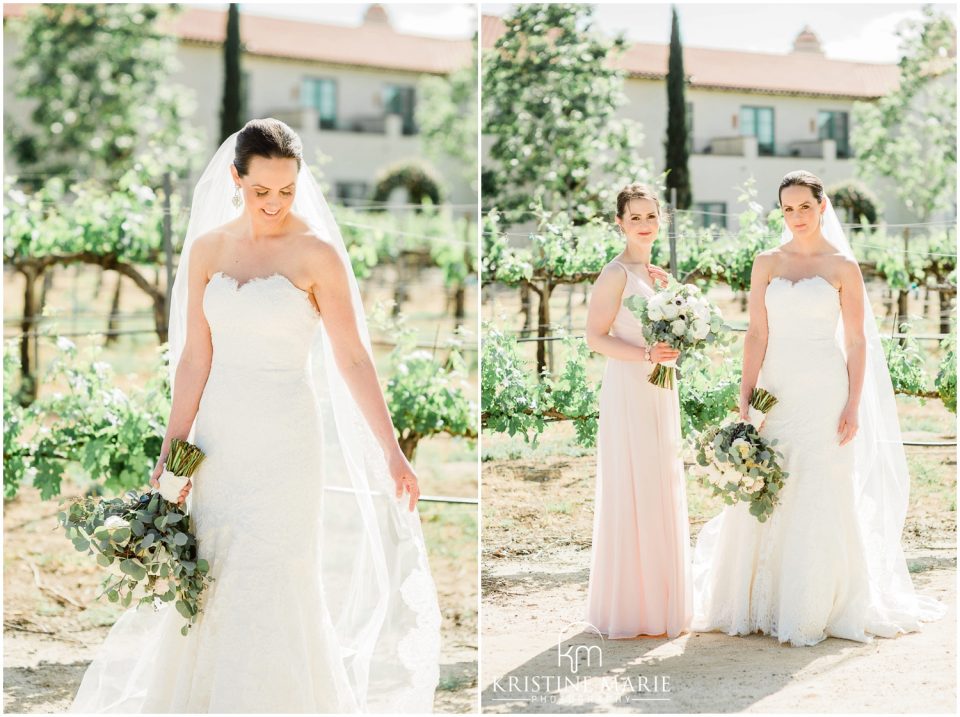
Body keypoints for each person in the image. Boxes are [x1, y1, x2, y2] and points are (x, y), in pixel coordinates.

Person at [69, 118, 442, 712]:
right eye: (262, 190)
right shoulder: (207, 249)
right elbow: (195, 357)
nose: (275, 203)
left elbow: (351, 356)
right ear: (236, 178)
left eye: (287, 190)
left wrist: (391, 451)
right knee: (214, 575)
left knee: (276, 572)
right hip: (221, 439)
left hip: (287, 440)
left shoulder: (316, 253)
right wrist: (174, 448)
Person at [692, 170, 946, 646]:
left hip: (826, 389)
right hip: (776, 388)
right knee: (768, 479)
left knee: (820, 486)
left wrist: (852, 404)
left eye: (804, 206)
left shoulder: (842, 266)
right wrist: (746, 395)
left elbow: (855, 341)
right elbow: (756, 334)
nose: (796, 217)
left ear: (822, 206)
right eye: (787, 208)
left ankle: (814, 603)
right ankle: (757, 601)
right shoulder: (766, 261)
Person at [583, 182, 693, 639]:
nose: (645, 226)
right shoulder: (616, 274)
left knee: (661, 483)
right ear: (620, 223)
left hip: (660, 388)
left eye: (651, 217)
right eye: (635, 218)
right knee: (634, 484)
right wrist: (647, 356)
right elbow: (595, 337)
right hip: (630, 385)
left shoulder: (657, 275)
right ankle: (632, 607)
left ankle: (662, 603)